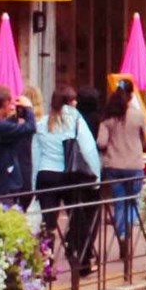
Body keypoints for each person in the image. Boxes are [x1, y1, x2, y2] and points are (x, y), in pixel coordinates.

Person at [32, 84, 101, 264]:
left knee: (48, 222)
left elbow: (35, 155)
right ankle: (80, 258)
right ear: (70, 103)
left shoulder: (41, 124)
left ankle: (46, 263)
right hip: (68, 175)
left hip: (46, 175)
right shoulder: (76, 121)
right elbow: (88, 150)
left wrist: (33, 184)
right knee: (77, 216)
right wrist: (96, 178)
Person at [97, 80, 146, 250]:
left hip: (114, 165)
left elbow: (101, 142)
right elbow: (144, 138)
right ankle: (128, 226)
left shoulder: (108, 116)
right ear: (132, 95)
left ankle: (122, 234)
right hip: (134, 165)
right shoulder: (138, 115)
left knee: (119, 201)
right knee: (133, 201)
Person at [0, 85, 36, 206]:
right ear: (5, 103)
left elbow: (3, 129)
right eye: (10, 104)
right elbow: (30, 127)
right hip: (3, 187)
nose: (11, 108)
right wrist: (29, 108)